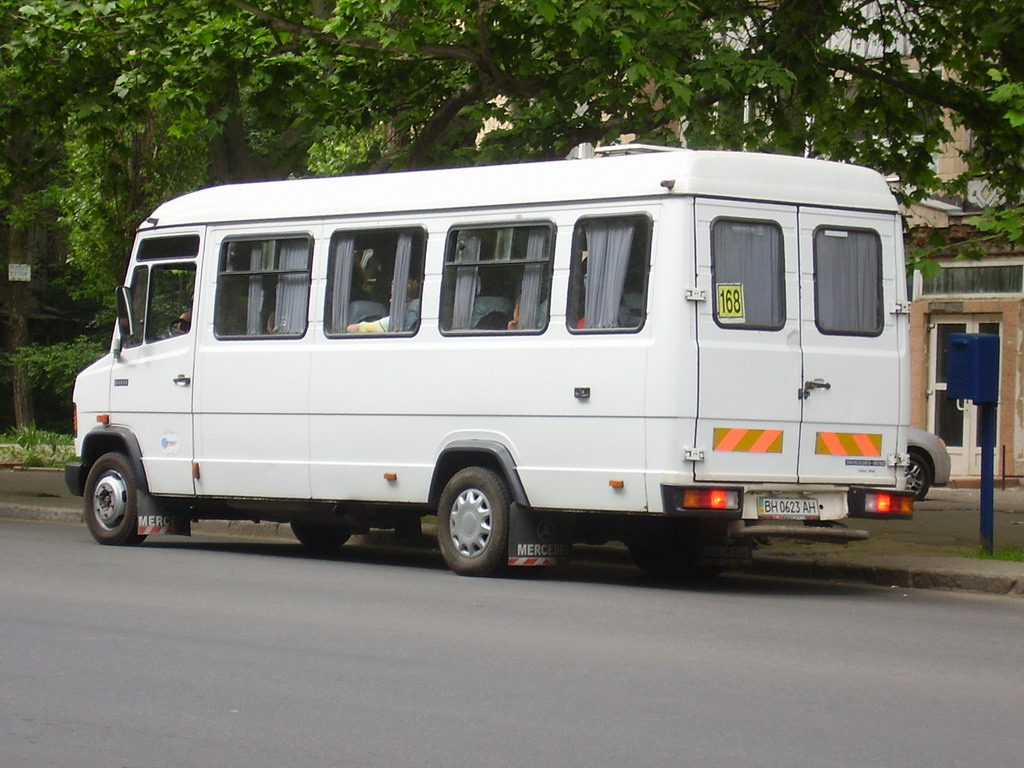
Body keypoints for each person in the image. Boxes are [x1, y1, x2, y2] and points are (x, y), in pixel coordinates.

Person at [347, 279, 420, 333]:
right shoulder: (417, 313)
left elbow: (354, 329)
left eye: (392, 297)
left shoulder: (392, 322)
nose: (390, 300)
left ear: (402, 301)